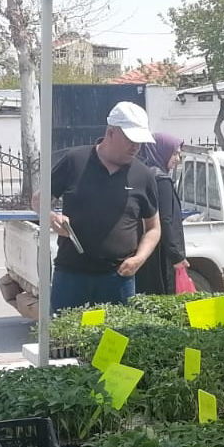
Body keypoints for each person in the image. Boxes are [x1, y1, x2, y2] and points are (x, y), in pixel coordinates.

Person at [35, 102, 161, 312]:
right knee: (65, 343)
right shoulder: (75, 161)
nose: (136, 147)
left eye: (140, 141)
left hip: (118, 278)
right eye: (131, 140)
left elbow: (154, 228)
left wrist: (139, 258)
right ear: (110, 133)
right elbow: (38, 200)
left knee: (115, 342)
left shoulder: (144, 175)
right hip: (71, 275)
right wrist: (51, 217)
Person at [134, 132, 187, 296]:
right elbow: (165, 220)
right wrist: (176, 256)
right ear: (161, 151)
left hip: (150, 251)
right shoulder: (161, 180)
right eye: (174, 153)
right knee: (163, 295)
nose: (177, 159)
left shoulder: (146, 173)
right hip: (161, 254)